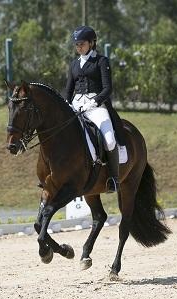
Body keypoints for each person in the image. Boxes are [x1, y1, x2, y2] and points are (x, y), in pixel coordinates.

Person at [63, 26, 124, 193]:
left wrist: (95, 101)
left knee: (110, 140)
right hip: (76, 105)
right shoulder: (74, 64)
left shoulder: (101, 61)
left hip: (96, 106)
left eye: (81, 44)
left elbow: (107, 88)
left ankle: (113, 178)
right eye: (76, 45)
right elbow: (68, 89)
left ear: (91, 43)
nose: (79, 47)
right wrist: (66, 104)